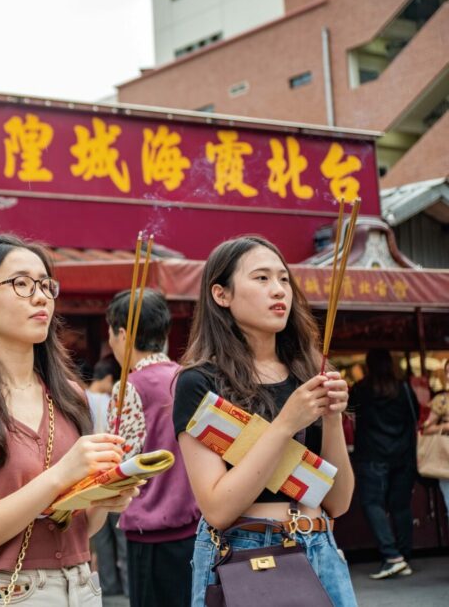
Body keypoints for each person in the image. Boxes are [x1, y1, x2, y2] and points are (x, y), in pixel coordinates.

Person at [0, 234, 138, 605]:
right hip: (5, 592)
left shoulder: (70, 394)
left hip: (80, 587)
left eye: (46, 284)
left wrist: (104, 498)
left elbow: (81, 528)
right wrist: (61, 475)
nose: (41, 296)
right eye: (21, 283)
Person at [172, 236, 356, 606]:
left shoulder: (309, 371)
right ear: (221, 294)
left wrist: (333, 419)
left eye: (284, 279)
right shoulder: (200, 383)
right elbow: (219, 509)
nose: (278, 290)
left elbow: (338, 502)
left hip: (319, 542)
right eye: (261, 278)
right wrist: (285, 424)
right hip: (247, 551)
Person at [106, 288, 199, 607]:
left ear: (122, 334)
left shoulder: (128, 388)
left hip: (151, 532)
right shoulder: (189, 378)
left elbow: (121, 464)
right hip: (197, 528)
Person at [349, 348, 419, 579]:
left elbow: (348, 413)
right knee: (401, 507)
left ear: (368, 365)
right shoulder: (404, 388)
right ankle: (404, 556)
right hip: (403, 456)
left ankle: (392, 556)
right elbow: (415, 416)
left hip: (372, 456)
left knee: (372, 504)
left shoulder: (361, 389)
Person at [84, 358, 128, 600]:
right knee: (121, 535)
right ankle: (127, 591)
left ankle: (109, 589)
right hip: (112, 471)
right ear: (110, 379)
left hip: (87, 480)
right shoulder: (112, 400)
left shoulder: (76, 397)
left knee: (100, 539)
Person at [420, 359, 449, 512]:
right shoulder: (442, 400)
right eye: (448, 372)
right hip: (447, 458)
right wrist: (444, 426)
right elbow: (425, 429)